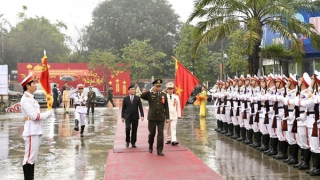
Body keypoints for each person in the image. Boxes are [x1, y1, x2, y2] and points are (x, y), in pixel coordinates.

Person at [20, 72, 53, 180]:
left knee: (32, 158)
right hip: (31, 130)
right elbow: (34, 116)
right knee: (29, 158)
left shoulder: (31, 98)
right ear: (28, 86)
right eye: (33, 83)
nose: (36, 84)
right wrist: (48, 114)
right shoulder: (25, 99)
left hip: (36, 130)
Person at [140, 79, 169, 156]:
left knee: (160, 134)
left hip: (161, 117)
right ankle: (150, 145)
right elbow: (142, 96)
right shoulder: (150, 94)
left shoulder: (164, 95)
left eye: (159, 86)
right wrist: (150, 90)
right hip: (152, 117)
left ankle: (159, 150)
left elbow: (166, 107)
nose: (158, 88)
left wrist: (167, 117)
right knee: (152, 133)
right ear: (154, 87)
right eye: (157, 86)